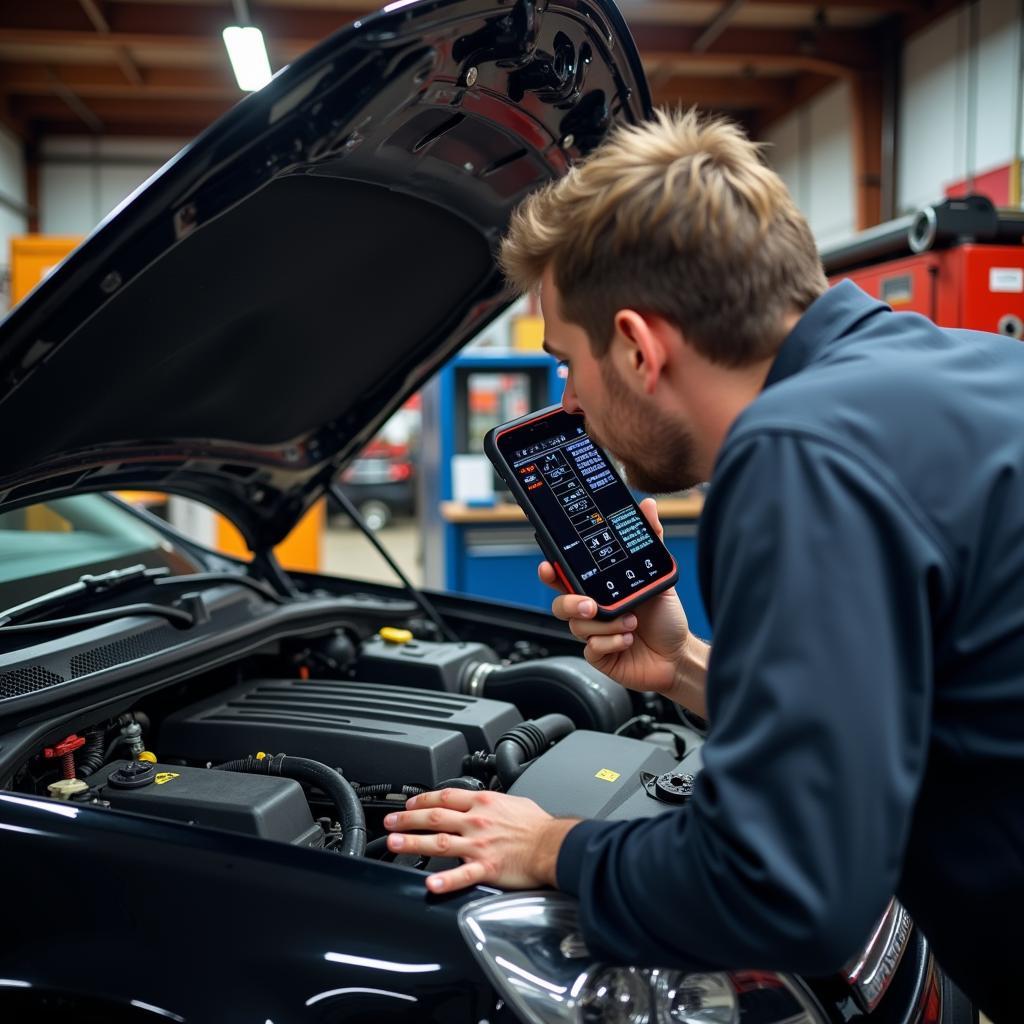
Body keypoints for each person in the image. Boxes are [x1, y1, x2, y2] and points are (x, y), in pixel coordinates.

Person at [384, 109, 1024, 1021]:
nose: (569, 400)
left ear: (640, 348)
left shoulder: (800, 456)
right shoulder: (970, 368)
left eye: (568, 361)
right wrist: (682, 664)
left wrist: (552, 848)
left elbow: (785, 889)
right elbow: (903, 727)